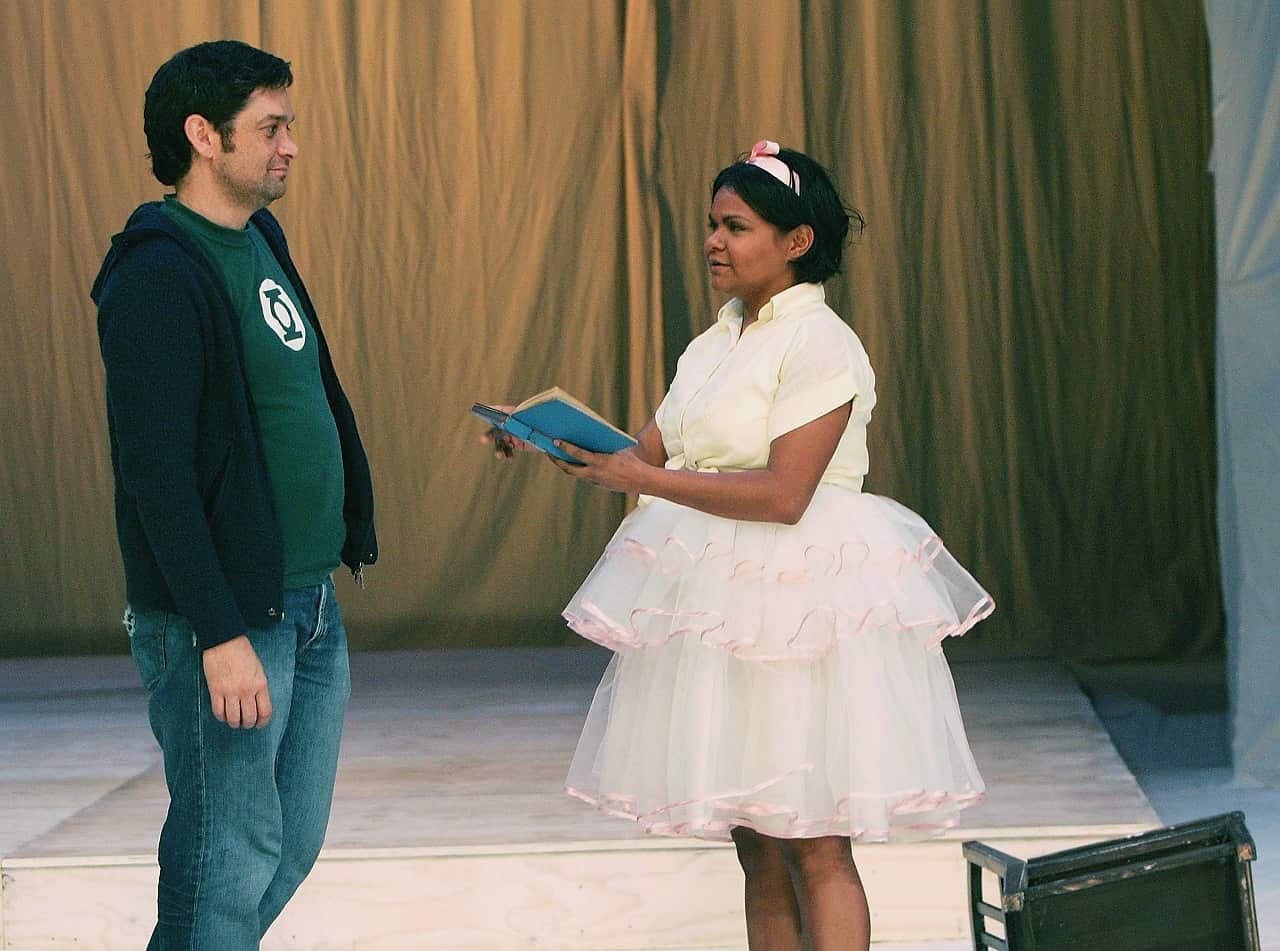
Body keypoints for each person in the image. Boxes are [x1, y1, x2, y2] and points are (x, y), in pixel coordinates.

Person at [488, 141, 993, 951]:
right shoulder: (713, 342)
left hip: (800, 597)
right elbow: (647, 456)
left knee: (815, 835)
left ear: (796, 241)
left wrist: (640, 479)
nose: (715, 241)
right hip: (720, 595)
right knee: (754, 835)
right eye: (712, 225)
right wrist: (544, 436)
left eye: (737, 225)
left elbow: (785, 493)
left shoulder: (821, 342)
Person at [91, 40, 376, 949]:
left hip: (305, 601)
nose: (290, 144)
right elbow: (157, 476)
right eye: (271, 127)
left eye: (288, 125)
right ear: (203, 136)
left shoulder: (258, 239)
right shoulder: (156, 273)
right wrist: (217, 632)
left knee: (282, 846)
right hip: (226, 617)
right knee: (225, 858)